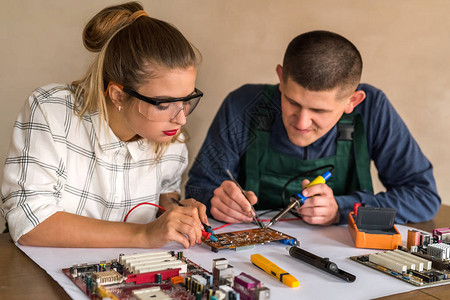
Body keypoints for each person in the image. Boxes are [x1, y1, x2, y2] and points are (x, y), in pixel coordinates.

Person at [1, 2, 209, 249]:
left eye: (187, 100)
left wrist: (177, 212)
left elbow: (165, 196)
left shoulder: (172, 137)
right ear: (117, 95)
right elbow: (29, 224)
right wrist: (143, 235)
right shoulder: (51, 110)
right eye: (163, 104)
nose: (181, 118)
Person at [186, 30, 440, 226]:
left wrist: (341, 208)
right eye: (292, 102)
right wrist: (213, 199)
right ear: (281, 79)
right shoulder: (244, 104)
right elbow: (196, 188)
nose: (301, 122)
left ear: (353, 101)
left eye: (319, 111)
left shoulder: (372, 110)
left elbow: (423, 198)